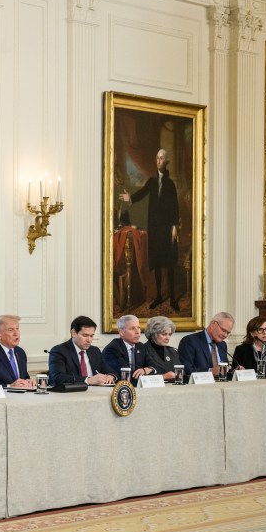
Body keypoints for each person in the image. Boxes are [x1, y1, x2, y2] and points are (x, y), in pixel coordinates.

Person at [119, 148, 180, 310]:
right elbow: (142, 193)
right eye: (157, 158)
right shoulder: (152, 181)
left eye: (161, 158)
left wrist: (175, 227)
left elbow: (175, 206)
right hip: (155, 228)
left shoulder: (170, 184)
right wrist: (130, 198)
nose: (159, 161)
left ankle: (173, 298)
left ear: (166, 162)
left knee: (170, 264)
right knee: (158, 263)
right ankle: (159, 296)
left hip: (167, 229)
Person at [47, 316, 115, 387]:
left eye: (91, 336)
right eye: (85, 335)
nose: (89, 340)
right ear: (73, 333)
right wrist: (88, 380)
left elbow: (111, 372)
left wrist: (111, 376)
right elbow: (58, 378)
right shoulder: (59, 351)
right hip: (71, 395)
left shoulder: (95, 351)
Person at [178, 312, 235, 379]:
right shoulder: (189, 341)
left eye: (228, 333)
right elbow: (185, 370)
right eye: (223, 330)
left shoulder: (222, 345)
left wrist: (234, 371)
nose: (225, 335)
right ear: (213, 324)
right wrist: (210, 371)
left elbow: (224, 370)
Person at [102, 315, 155, 380]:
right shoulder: (113, 348)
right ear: (121, 332)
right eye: (132, 328)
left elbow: (154, 366)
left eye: (138, 328)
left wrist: (148, 369)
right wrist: (146, 374)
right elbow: (125, 375)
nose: (137, 332)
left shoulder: (140, 346)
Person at [143, 315, 183, 381]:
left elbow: (181, 375)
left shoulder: (173, 352)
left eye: (169, 334)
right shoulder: (142, 350)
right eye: (164, 334)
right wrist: (163, 377)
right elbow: (139, 378)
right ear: (154, 334)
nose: (168, 338)